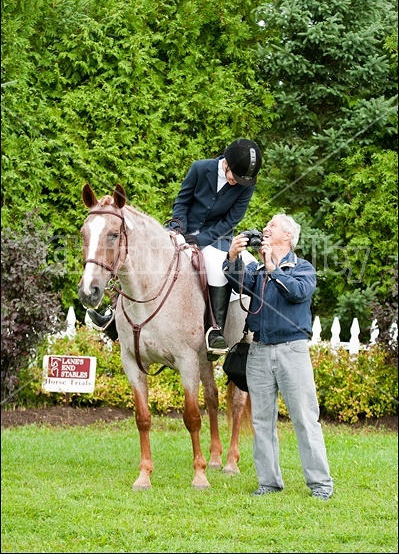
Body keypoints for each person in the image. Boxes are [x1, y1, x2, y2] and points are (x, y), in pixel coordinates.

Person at [88, 138, 262, 361]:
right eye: (233, 176)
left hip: (216, 238)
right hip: (182, 228)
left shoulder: (246, 185)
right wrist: (179, 229)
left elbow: (230, 220)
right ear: (226, 162)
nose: (235, 182)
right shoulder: (200, 168)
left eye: (240, 180)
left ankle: (214, 330)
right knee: (139, 256)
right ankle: (113, 315)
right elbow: (182, 201)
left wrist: (199, 240)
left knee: (216, 269)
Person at [222, 214, 334, 500]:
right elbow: (237, 283)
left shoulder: (302, 268)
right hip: (258, 351)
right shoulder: (257, 270)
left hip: (292, 350)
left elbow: (297, 293)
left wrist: (273, 267)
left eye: (272, 226)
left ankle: (320, 484)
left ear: (287, 236)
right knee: (261, 421)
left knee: (305, 419)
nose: (265, 229)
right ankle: (268, 482)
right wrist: (233, 258)